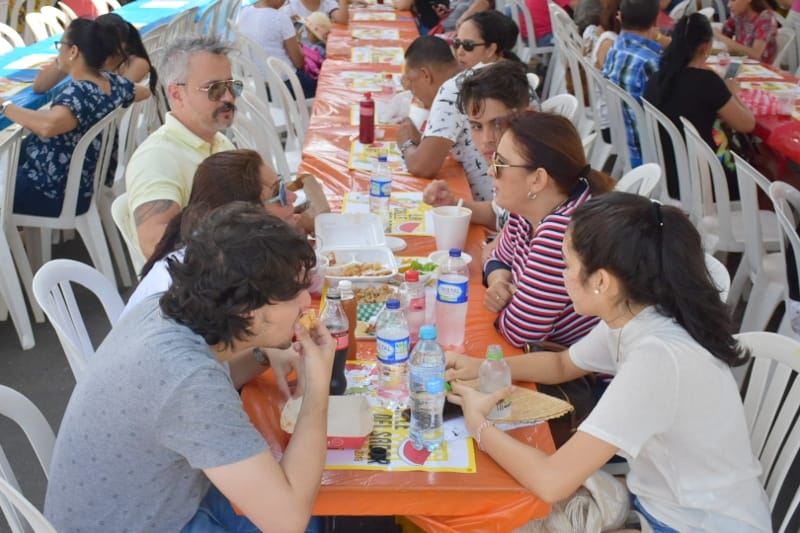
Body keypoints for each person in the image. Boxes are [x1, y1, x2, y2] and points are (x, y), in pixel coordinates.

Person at [446, 192, 772, 532]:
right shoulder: (637, 314)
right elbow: (562, 365)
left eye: (567, 265)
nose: (563, 275)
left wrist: (478, 424)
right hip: (664, 505)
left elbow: (551, 480)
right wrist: (475, 367)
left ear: (602, 281)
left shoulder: (657, 358)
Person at [45, 202, 333, 532]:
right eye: (293, 292)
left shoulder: (162, 310)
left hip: (140, 506)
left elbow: (194, 392)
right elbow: (287, 522)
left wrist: (262, 355)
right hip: (144, 523)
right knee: (310, 515)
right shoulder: (187, 381)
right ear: (245, 310)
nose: (306, 302)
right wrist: (317, 391)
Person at [482, 111, 614, 348]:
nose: (491, 171)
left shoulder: (562, 233)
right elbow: (496, 258)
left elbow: (519, 333)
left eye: (499, 163)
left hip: (587, 378)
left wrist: (504, 301)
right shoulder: (531, 208)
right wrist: (499, 282)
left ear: (537, 180)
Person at [1, 18, 149, 218]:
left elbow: (48, 126)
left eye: (61, 45)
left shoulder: (78, 93)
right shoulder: (112, 82)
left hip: (50, 192)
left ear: (73, 51)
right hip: (79, 184)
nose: (57, 51)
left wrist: (5, 105)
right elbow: (144, 92)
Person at [124, 149, 300, 316]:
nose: (293, 197)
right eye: (281, 193)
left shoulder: (216, 247)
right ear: (246, 215)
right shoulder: (215, 272)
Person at [124, 36, 238, 261]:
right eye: (214, 89)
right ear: (177, 94)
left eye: (232, 86)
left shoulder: (219, 142)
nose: (228, 97)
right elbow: (155, 245)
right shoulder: (157, 158)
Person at [397, 17, 519, 202]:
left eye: (468, 45)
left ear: (425, 74)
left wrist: (405, 143)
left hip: (496, 208)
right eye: (457, 43)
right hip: (511, 205)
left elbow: (423, 167)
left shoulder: (455, 88)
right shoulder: (507, 73)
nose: (460, 51)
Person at [644, 13, 755, 197]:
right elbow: (747, 124)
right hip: (708, 181)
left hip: (668, 176)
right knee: (760, 170)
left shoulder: (656, 78)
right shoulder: (708, 82)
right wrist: (732, 93)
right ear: (704, 47)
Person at [423, 60, 533, 232]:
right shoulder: (505, 163)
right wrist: (454, 206)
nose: (486, 139)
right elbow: (499, 215)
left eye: (498, 123)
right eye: (477, 126)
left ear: (525, 115)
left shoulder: (533, 175)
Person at [601, 0, 662, 168]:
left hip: (625, 145)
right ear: (655, 20)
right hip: (649, 152)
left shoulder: (614, 49)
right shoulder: (650, 61)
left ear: (620, 17)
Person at [33, 13, 158, 94]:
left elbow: (116, 96)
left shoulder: (137, 63)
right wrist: (66, 56)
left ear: (124, 45)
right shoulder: (86, 57)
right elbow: (39, 86)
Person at [238, 0, 317, 98]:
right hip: (287, 85)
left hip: (261, 87)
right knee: (321, 83)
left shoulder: (243, 13)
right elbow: (299, 63)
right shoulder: (281, 18)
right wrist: (297, 40)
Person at [281, 0, 348, 25]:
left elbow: (342, 20)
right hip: (303, 50)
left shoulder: (327, 2)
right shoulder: (291, 6)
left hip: (324, 46)